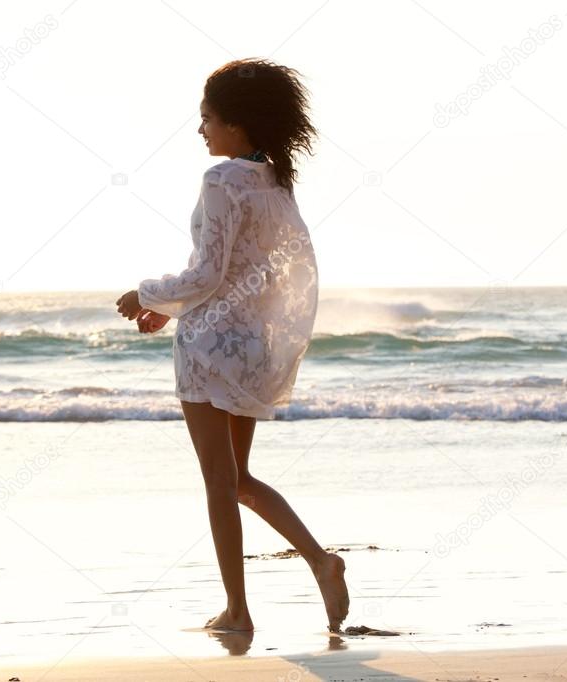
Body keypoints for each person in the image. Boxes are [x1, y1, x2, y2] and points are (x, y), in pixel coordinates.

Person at [115, 58, 349, 633]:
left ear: (236, 125)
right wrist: (165, 309)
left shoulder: (220, 182)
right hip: (249, 349)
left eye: (207, 118)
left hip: (208, 351)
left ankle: (238, 612)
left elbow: (208, 273)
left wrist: (142, 292)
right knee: (239, 478)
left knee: (219, 484)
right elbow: (256, 274)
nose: (201, 129)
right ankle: (321, 561)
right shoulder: (273, 180)